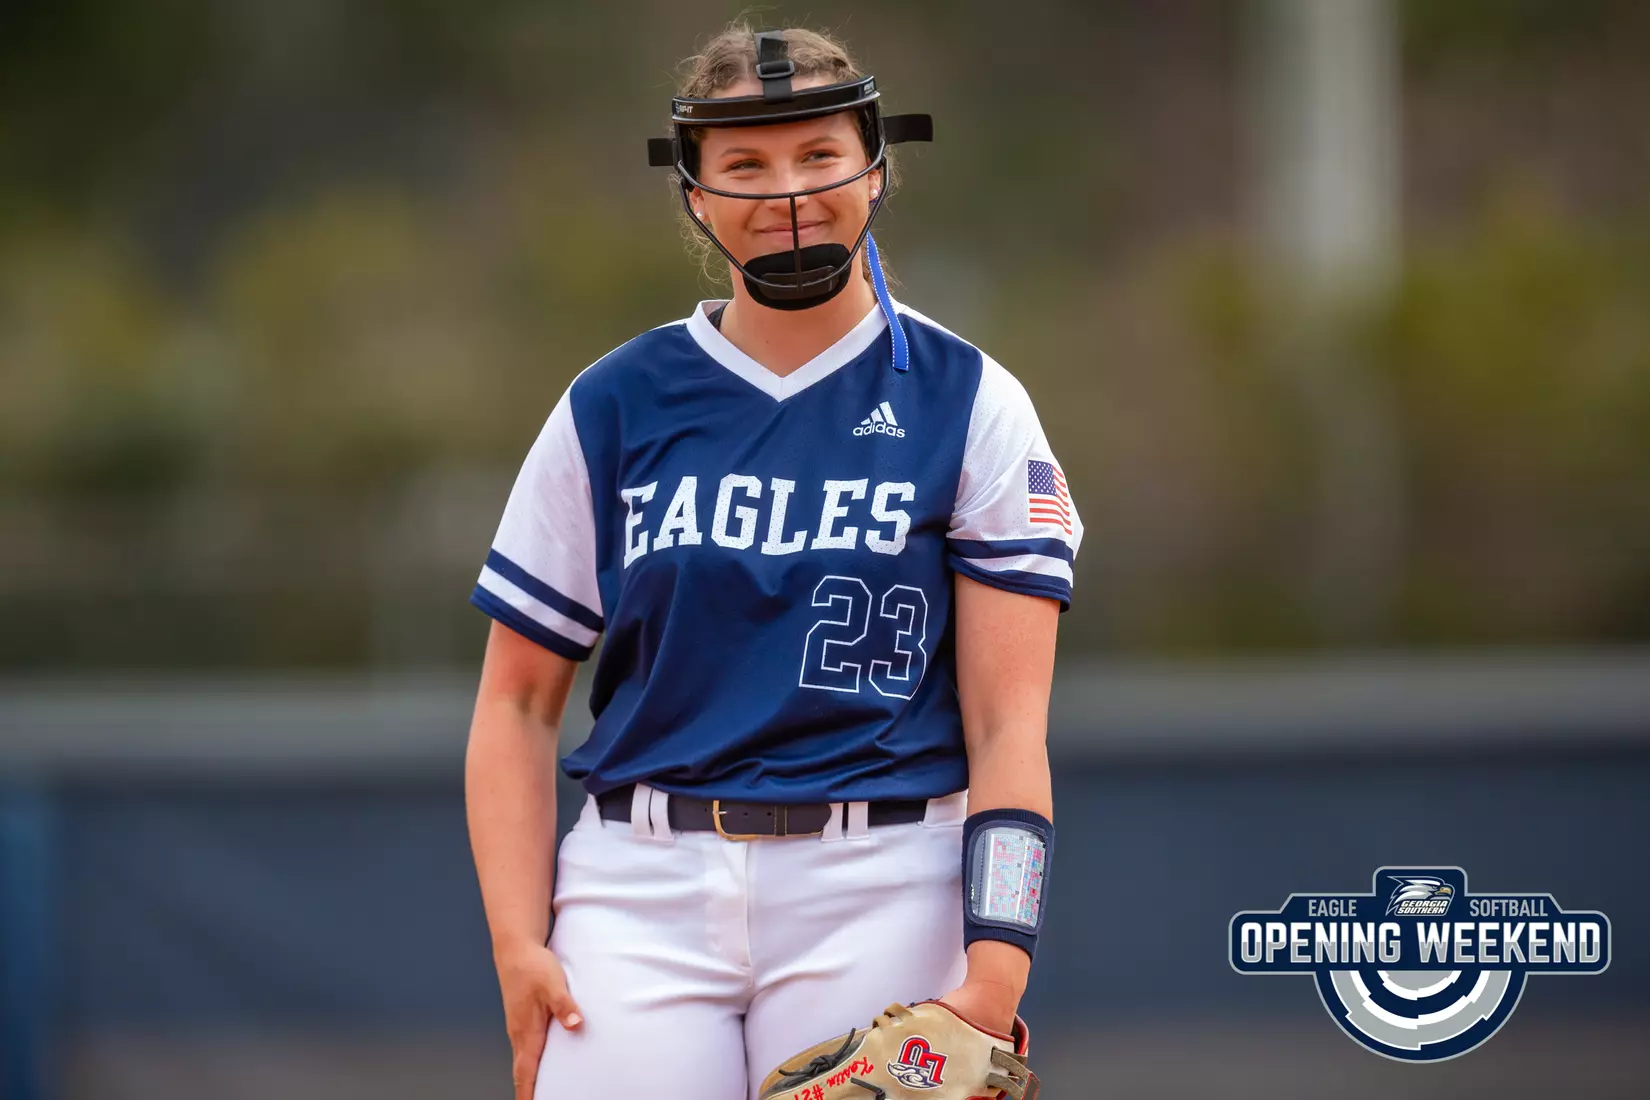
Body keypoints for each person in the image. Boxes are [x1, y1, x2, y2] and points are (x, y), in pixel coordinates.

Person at [464, 23, 1082, 1100]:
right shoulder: (613, 401)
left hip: (885, 877)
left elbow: (1007, 728)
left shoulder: (971, 398)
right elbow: (516, 703)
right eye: (744, 163)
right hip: (639, 883)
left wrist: (993, 975)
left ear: (876, 167)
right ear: (694, 191)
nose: (787, 189)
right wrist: (520, 944)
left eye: (818, 153)